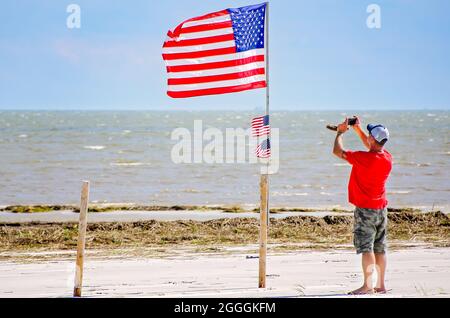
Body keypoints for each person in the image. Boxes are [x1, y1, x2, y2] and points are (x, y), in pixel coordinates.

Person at [332, 117, 392, 295]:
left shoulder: (363, 158)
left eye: (370, 136)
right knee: (380, 248)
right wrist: (357, 129)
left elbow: (337, 151)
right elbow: (371, 145)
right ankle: (380, 285)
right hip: (381, 209)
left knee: (366, 248)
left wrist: (340, 133)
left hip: (366, 210)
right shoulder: (387, 157)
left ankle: (367, 286)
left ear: (373, 139)